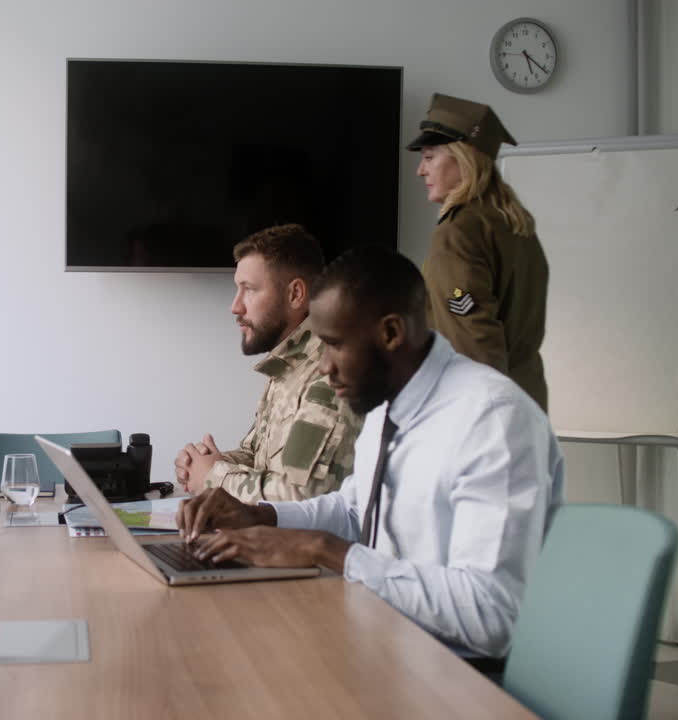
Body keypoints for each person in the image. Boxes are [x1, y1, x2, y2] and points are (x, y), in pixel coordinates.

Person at [176, 245, 564, 663]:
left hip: (455, 674)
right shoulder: (386, 405)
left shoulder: (491, 418)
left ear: (391, 333)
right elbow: (355, 512)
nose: (323, 366)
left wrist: (327, 551)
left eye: (333, 345)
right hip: (379, 642)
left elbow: (493, 617)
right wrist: (263, 516)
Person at [175, 224, 363, 503]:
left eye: (249, 290)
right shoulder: (288, 367)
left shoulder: (330, 371)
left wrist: (215, 475)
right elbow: (256, 459)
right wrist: (203, 464)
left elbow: (301, 498)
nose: (235, 306)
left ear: (296, 294)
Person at [408, 93, 550, 411]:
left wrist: (482, 420)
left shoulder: (458, 231)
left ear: (466, 156)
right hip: (527, 402)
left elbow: (474, 337)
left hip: (483, 412)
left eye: (430, 157)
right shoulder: (515, 223)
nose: (421, 170)